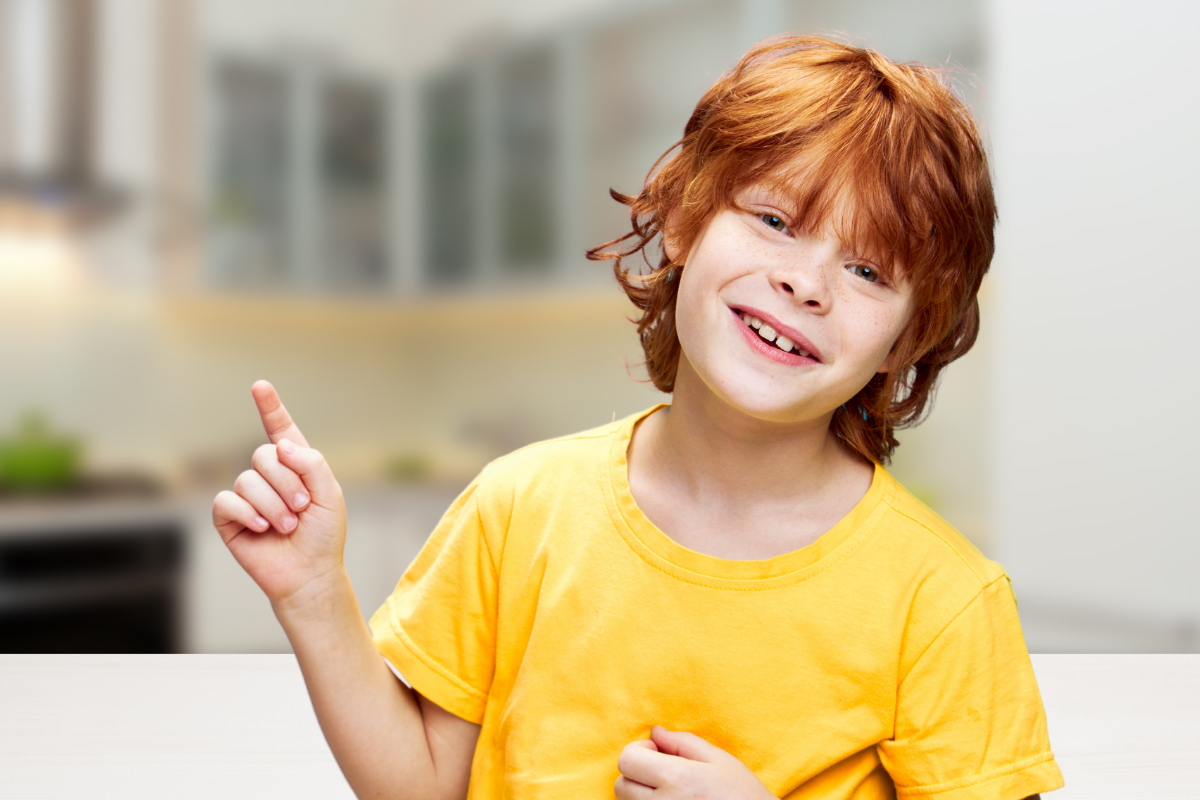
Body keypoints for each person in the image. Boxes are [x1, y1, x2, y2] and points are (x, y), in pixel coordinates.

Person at [213, 35, 1064, 800]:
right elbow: (426, 787)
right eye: (775, 220)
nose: (806, 284)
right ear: (688, 218)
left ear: (904, 343)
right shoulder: (519, 508)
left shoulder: (942, 603)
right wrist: (318, 597)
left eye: (870, 272)